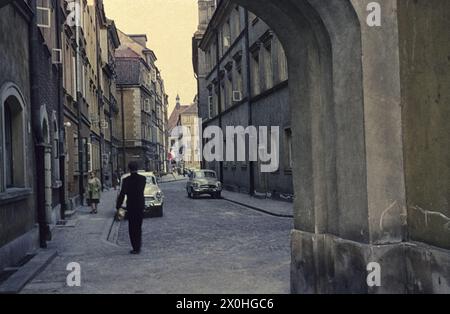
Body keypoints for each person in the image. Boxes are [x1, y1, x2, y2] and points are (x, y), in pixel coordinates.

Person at [116, 162, 146, 254]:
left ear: (129, 169)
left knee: (132, 227)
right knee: (138, 226)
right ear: (137, 168)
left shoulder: (126, 180)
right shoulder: (142, 179)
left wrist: (118, 206)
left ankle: (135, 247)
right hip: (140, 205)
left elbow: (122, 194)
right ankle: (138, 246)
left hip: (131, 206)